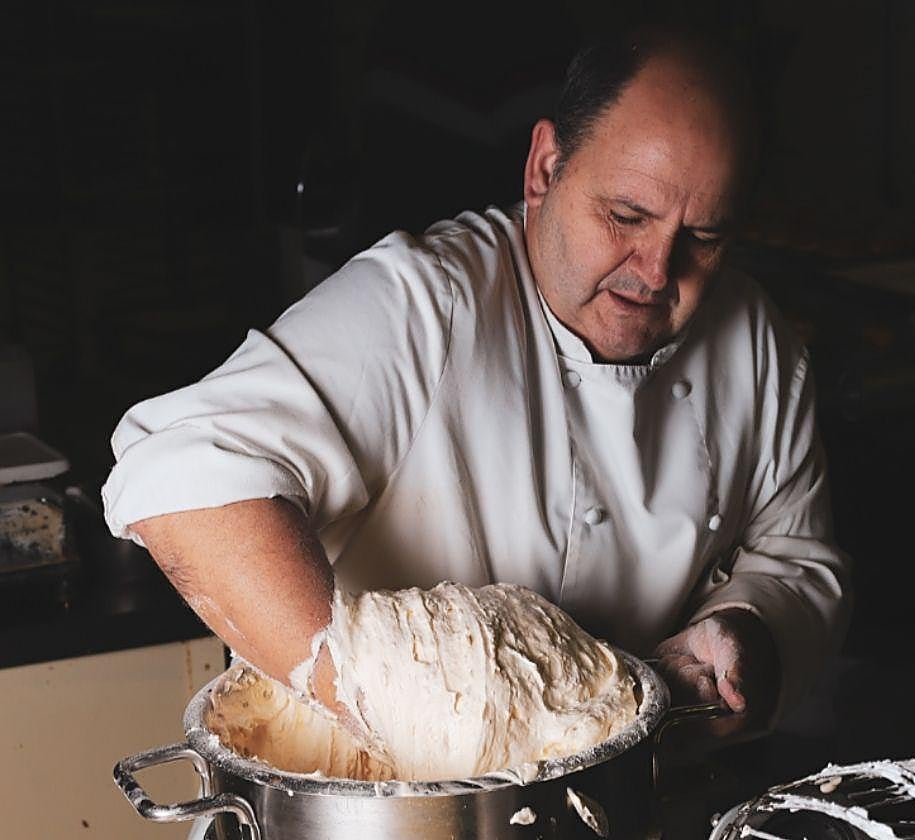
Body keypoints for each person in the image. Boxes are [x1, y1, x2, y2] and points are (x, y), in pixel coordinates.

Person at [102, 27, 850, 739]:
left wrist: (746, 629)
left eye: (704, 238)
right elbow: (181, 475)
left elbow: (795, 557)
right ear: (545, 169)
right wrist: (387, 705)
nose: (657, 271)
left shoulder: (754, 339)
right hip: (384, 799)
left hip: (644, 789)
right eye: (626, 216)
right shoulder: (425, 305)